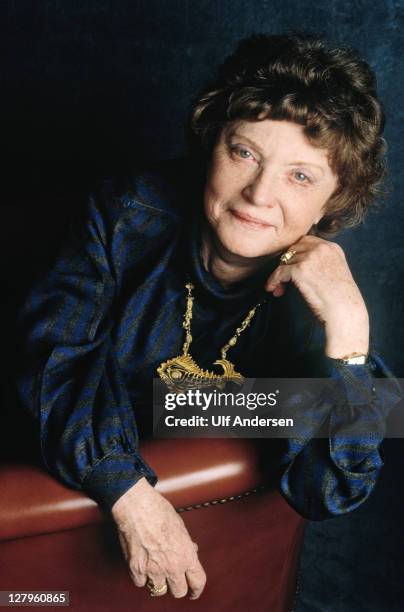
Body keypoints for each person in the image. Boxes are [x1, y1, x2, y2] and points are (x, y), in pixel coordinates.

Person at [14, 32, 401, 601]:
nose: (258, 195)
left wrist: (350, 333)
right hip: (53, 525)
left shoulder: (318, 294)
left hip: (219, 564)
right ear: (212, 144)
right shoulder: (125, 214)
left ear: (335, 200)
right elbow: (49, 362)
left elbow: (328, 489)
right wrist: (133, 496)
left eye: (300, 175)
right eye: (244, 153)